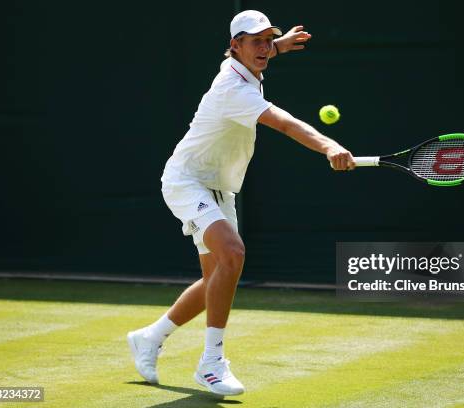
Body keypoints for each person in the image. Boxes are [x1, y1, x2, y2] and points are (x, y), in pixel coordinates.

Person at [127, 10, 355, 396]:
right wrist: (329, 145)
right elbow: (285, 123)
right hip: (187, 182)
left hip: (218, 187)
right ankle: (211, 363)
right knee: (233, 254)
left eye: (269, 39)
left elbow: (259, 54)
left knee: (217, 276)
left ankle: (150, 337)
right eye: (256, 41)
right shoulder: (234, 90)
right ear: (235, 46)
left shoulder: (242, 64)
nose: (264, 48)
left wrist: (277, 48)